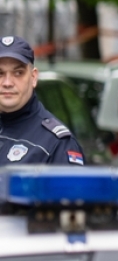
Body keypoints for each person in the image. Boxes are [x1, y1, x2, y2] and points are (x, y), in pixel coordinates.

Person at [0, 35, 85, 166]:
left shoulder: (57, 144)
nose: (7, 83)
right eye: (0, 73)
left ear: (33, 77)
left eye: (18, 73)